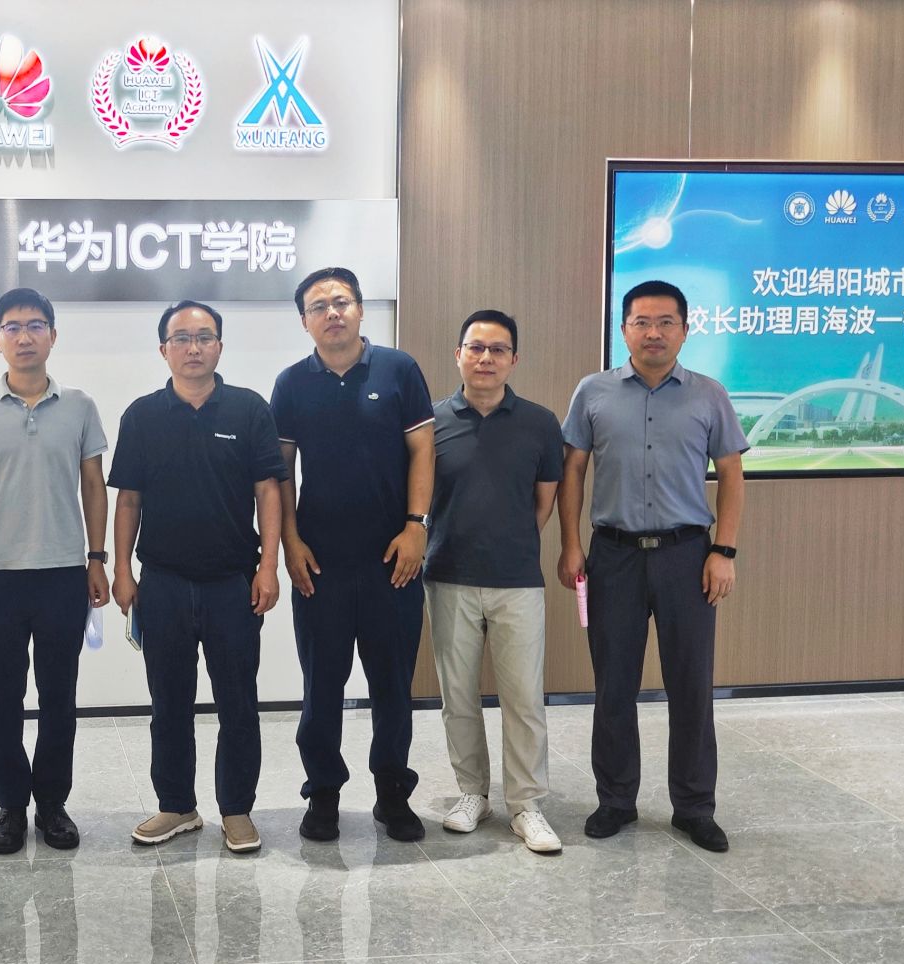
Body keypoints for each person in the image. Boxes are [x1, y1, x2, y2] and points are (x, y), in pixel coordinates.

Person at [557, 279, 748, 853]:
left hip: (688, 556)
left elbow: (732, 476)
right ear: (624, 330)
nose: (654, 332)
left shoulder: (709, 395)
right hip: (612, 555)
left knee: (691, 684)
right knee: (613, 684)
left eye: (666, 322)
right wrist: (570, 545)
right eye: (642, 321)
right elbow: (572, 472)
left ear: (685, 330)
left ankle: (694, 806)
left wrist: (724, 551)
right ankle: (616, 800)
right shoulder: (592, 391)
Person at [109, 300, 286, 854]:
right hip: (162, 582)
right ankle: (177, 805)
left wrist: (269, 566)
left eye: (204, 337)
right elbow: (128, 499)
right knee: (169, 702)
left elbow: (268, 492)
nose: (193, 348)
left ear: (219, 347)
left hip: (233, 583)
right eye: (181, 338)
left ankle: (236, 809)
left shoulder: (249, 410)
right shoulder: (142, 415)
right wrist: (121, 568)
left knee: (238, 702)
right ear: (164, 349)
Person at [270, 266, 435, 843]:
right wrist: (290, 542)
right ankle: (323, 795)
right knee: (321, 687)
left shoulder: (398, 369)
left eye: (341, 302)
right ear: (305, 321)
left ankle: (393, 794)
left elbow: (423, 451)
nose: (332, 313)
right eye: (319, 306)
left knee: (392, 685)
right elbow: (281, 471)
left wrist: (416, 527)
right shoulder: (292, 383)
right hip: (320, 564)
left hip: (394, 560)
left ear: (361, 310)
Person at [0, 287, 111, 854]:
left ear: (53, 336)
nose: (24, 336)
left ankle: (53, 804)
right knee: (4, 700)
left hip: (64, 573)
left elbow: (94, 486)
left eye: (36, 325)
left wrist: (97, 558)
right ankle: (11, 806)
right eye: (13, 327)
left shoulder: (80, 406)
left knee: (59, 697)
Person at [423, 310, 564, 853]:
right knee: (457, 695)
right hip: (448, 575)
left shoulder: (539, 423)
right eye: (475, 348)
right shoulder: (431, 422)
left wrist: (510, 541)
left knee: (523, 698)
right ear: (458, 354)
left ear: (514, 359)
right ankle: (472, 793)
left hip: (516, 579)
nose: (485, 358)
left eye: (498, 349)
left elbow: (544, 501)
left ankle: (526, 805)